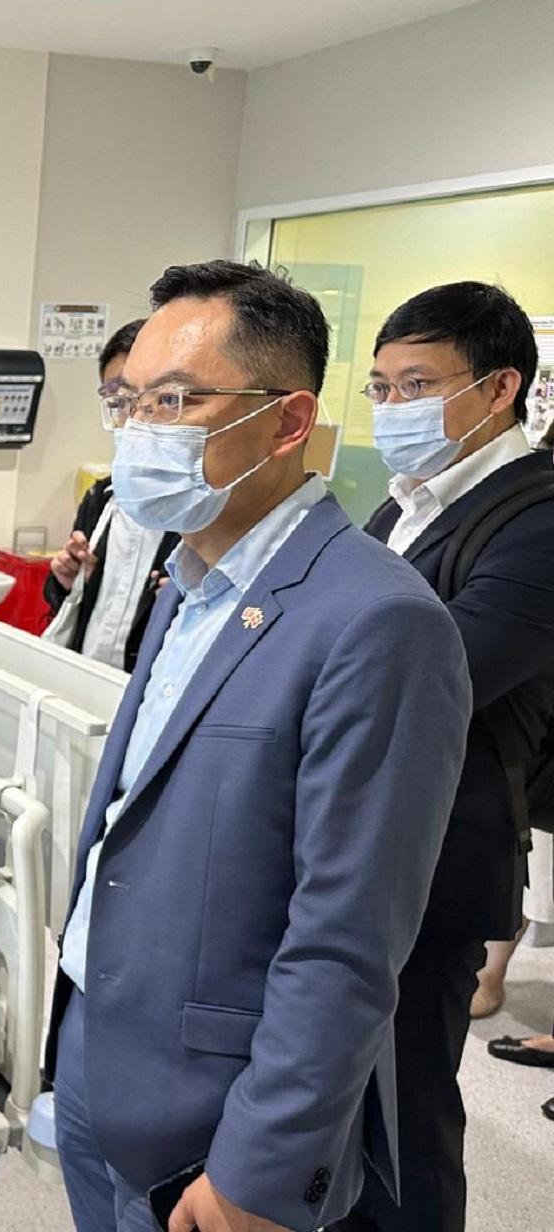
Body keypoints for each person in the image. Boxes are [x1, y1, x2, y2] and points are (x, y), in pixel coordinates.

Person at [43, 261, 471, 1232]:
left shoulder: (377, 621)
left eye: (176, 400)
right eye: (128, 402)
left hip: (216, 1119)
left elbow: (348, 935)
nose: (139, 431)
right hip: (103, 1056)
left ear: (286, 422)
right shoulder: (191, 576)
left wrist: (261, 1167)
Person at [344, 281, 554, 1229]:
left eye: (418, 385)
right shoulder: (406, 506)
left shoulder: (538, 517)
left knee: (408, 1111)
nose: (395, 411)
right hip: (367, 835)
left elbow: (439, 673)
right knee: (345, 1093)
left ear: (500, 386)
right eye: (381, 389)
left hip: (443, 847)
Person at [43, 319, 180, 672]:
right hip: (87, 685)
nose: (132, 417)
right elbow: (78, 609)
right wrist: (67, 581)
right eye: (117, 401)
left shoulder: (199, 507)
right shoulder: (102, 499)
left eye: (156, 399)